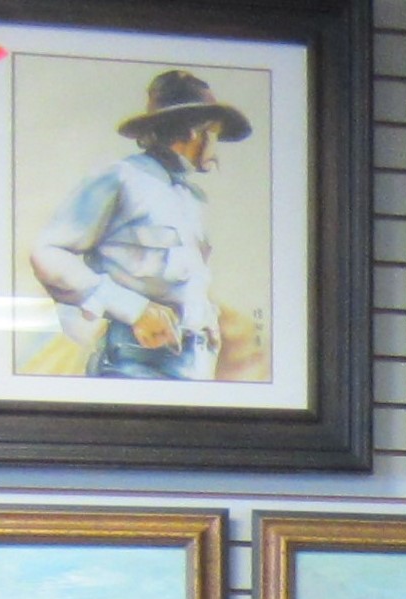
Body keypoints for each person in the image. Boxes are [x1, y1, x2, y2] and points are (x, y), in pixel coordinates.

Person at [29, 70, 248, 382]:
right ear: (193, 132)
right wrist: (134, 309)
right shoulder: (120, 178)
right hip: (135, 363)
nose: (215, 146)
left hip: (197, 365)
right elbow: (47, 253)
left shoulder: (193, 198)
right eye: (214, 132)